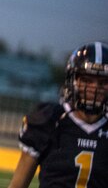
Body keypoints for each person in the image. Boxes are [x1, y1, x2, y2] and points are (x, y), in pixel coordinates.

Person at [8, 41, 108, 188]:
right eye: (87, 80)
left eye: (103, 82)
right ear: (73, 81)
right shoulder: (49, 121)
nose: (94, 87)